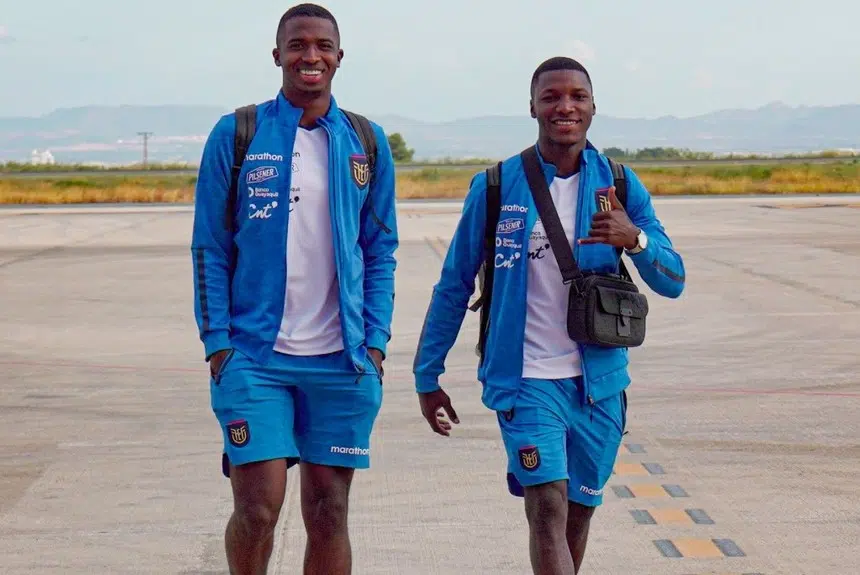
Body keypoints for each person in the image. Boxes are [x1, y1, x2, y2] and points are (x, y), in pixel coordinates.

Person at [412, 56, 685, 574]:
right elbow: (453, 286)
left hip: (599, 385)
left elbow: (673, 279)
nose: (565, 107)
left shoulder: (620, 185)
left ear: (593, 107)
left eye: (577, 97)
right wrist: (428, 373)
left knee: (577, 516)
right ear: (533, 107)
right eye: (552, 96)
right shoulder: (497, 186)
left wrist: (635, 240)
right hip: (527, 380)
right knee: (546, 509)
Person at [190, 4, 398, 574]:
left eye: (323, 45)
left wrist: (375, 343)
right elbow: (209, 247)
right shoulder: (238, 134)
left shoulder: (365, 141)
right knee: (257, 510)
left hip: (342, 360)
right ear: (277, 54)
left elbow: (380, 250)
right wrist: (218, 345)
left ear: (339, 56)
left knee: (329, 512)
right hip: (255, 359)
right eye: (298, 44)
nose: (311, 55)